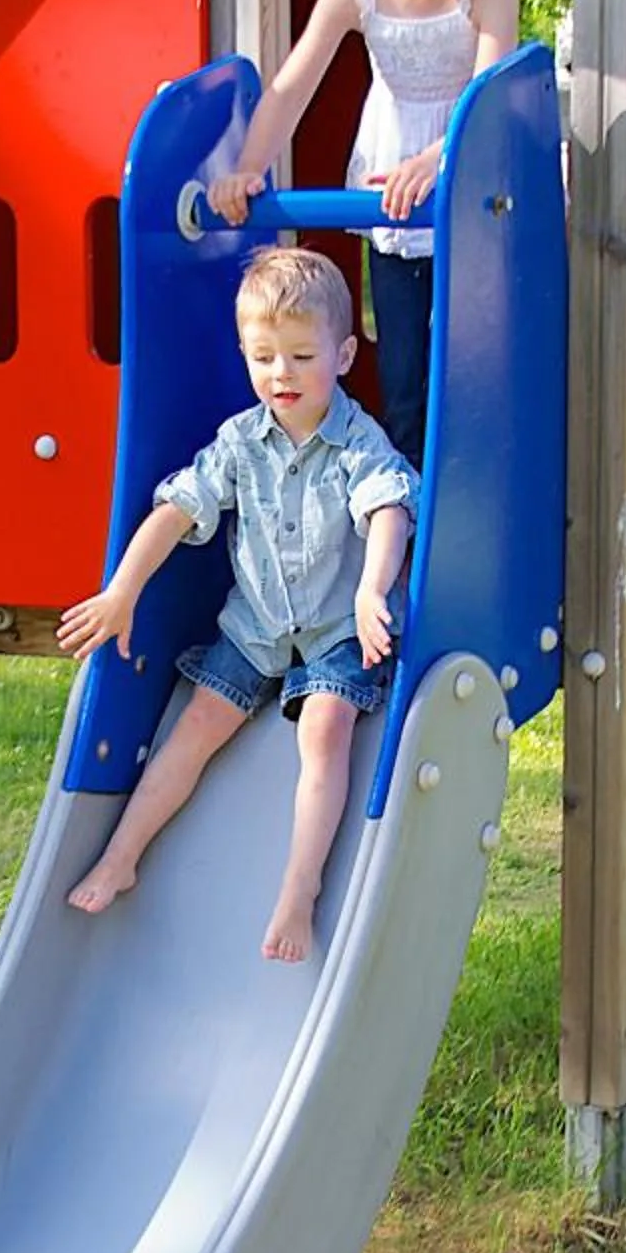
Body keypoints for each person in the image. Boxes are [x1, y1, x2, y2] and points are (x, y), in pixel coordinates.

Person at [59, 245, 416, 963]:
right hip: (253, 629)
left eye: (301, 357)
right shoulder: (238, 443)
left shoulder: (357, 443)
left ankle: (299, 888)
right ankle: (122, 854)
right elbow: (175, 510)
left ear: (344, 355)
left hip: (336, 631)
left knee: (325, 729)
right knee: (196, 725)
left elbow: (389, 512)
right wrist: (122, 591)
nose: (281, 374)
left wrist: (374, 591)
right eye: (264, 357)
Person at [206, 0, 519, 467]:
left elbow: (486, 93)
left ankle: (470, 504)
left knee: (470, 371)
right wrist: (247, 169)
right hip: (393, 200)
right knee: (403, 375)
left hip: (469, 186)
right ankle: (405, 525)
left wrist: (437, 162)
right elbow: (293, 86)